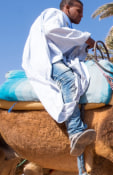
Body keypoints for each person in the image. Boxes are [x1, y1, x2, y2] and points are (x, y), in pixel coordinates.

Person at [22, 0, 96, 156]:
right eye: (79, 10)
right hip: (48, 61)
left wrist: (83, 46)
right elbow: (52, 31)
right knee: (69, 80)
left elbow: (65, 45)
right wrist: (84, 38)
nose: (82, 15)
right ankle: (75, 131)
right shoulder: (54, 14)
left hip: (58, 59)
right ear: (67, 8)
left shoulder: (66, 25)